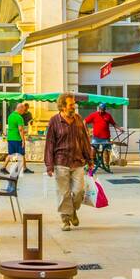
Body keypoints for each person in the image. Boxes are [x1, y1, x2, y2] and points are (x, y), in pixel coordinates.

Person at [43, 93, 92, 230]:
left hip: (78, 161)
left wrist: (90, 158)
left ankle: (72, 211)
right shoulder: (54, 121)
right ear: (63, 107)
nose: (74, 107)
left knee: (79, 191)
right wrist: (49, 164)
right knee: (63, 193)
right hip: (61, 161)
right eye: (71, 105)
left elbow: (84, 140)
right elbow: (50, 143)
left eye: (74, 104)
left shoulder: (78, 119)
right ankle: (65, 220)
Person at [84, 102, 118, 170]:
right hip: (96, 137)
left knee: (107, 152)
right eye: (100, 109)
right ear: (98, 108)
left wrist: (119, 129)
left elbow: (114, 124)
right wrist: (87, 131)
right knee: (92, 151)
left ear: (105, 109)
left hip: (106, 138)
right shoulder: (94, 115)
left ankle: (107, 166)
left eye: (103, 110)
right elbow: (84, 121)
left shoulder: (108, 116)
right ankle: (90, 165)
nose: (101, 111)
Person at [6, 101, 28, 171]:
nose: (24, 112)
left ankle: (3, 167)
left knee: (11, 154)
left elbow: (13, 127)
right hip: (17, 139)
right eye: (23, 110)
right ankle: (19, 169)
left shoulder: (10, 116)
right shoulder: (19, 117)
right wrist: (23, 140)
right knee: (21, 154)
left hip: (10, 138)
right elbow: (20, 130)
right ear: (20, 109)